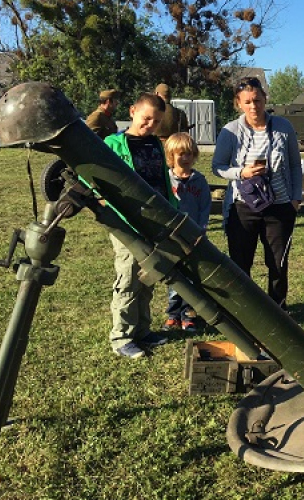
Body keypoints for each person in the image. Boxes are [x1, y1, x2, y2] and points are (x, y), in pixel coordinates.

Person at [211, 77, 303, 311]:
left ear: (265, 99)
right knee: (241, 263)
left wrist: (295, 198)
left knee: (278, 263)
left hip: (280, 206)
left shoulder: (283, 127)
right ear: (238, 104)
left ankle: (278, 309)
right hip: (243, 207)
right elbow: (218, 167)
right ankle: (245, 311)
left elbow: (295, 164)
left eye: (258, 100)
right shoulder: (230, 131)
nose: (254, 106)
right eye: (248, 102)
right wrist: (243, 172)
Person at [105, 93, 177, 359]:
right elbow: (90, 175)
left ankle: (142, 331)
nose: (150, 125)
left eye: (156, 122)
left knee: (148, 277)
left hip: (154, 221)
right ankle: (122, 337)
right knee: (128, 278)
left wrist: (172, 209)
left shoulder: (156, 145)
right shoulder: (112, 143)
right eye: (146, 118)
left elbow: (161, 179)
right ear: (133, 111)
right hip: (126, 223)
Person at [162, 132, 211, 332]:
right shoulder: (166, 179)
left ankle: (188, 314)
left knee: (191, 278)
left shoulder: (199, 180)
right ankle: (173, 314)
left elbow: (205, 207)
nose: (185, 158)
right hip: (172, 236)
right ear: (171, 156)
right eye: (181, 154)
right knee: (175, 277)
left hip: (193, 236)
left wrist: (200, 230)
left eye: (189, 154)